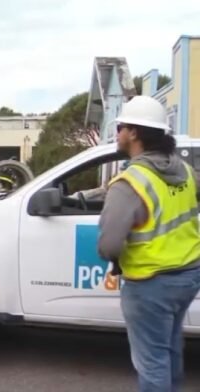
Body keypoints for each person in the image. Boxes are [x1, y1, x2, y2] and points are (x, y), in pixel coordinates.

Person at [97, 95, 200, 391]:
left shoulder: (130, 183)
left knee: (152, 362)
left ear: (134, 132)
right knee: (169, 350)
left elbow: (109, 246)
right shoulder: (184, 172)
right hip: (189, 275)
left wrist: (116, 261)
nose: (116, 133)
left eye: (120, 127)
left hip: (150, 283)